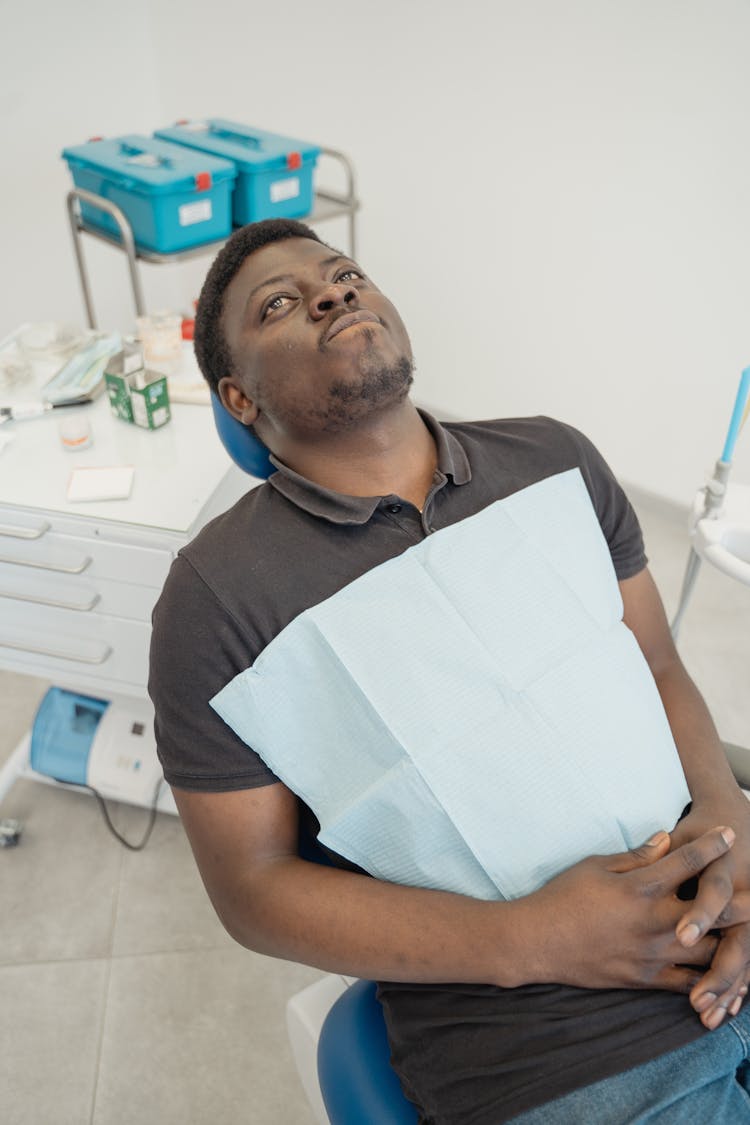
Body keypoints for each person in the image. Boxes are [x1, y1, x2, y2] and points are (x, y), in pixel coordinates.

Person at [149, 218, 750, 1123]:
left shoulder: (555, 457)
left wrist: (729, 829)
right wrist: (526, 940)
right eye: (279, 303)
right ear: (240, 398)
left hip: (717, 906)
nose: (332, 292)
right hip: (548, 1042)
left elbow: (656, 661)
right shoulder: (216, 595)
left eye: (344, 273)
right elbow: (253, 885)